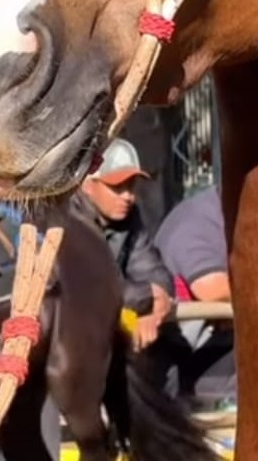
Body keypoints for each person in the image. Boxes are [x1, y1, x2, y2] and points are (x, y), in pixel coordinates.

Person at [72, 138, 174, 353]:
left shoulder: (130, 217)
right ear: (88, 185)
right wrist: (148, 295)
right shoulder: (68, 220)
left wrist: (152, 312)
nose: (128, 196)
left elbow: (153, 270)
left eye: (131, 186)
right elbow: (92, 289)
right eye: (117, 187)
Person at [153, 184, 236, 409]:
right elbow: (213, 290)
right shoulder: (197, 224)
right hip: (189, 359)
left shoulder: (229, 214)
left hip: (211, 344)